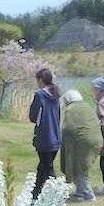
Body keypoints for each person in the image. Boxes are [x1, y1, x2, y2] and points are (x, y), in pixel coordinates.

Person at [60, 89, 104, 202]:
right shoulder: (87, 106)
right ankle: (80, 191)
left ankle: (89, 195)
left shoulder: (71, 109)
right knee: (83, 167)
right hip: (96, 141)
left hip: (83, 142)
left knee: (78, 169)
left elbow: (68, 127)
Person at [29, 68, 61, 198]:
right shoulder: (56, 94)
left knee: (47, 168)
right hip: (56, 137)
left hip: (44, 137)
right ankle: (36, 192)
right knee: (43, 165)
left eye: (37, 80)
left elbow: (32, 116)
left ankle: (58, 193)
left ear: (41, 80)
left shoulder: (40, 95)